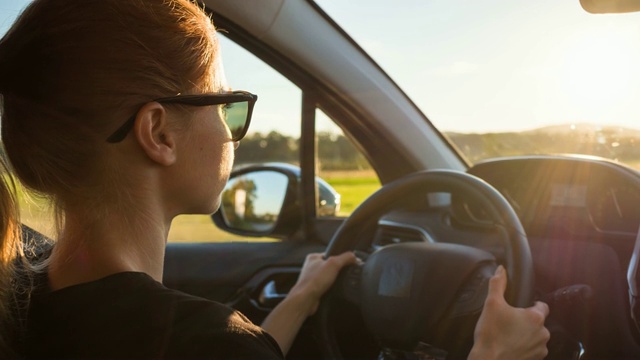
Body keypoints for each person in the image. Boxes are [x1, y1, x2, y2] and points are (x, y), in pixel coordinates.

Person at [0, 0, 549, 359]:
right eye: (229, 107)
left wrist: (303, 296)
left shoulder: (21, 299)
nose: (232, 133)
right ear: (159, 133)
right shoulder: (207, 344)